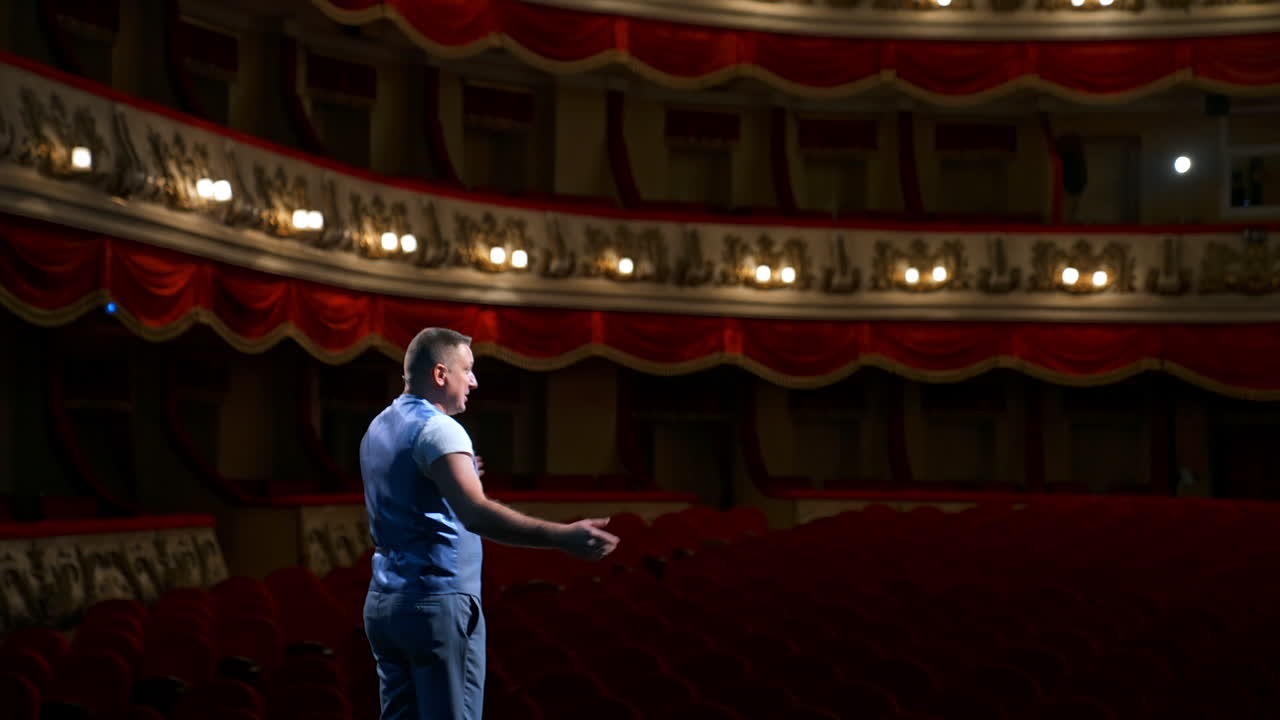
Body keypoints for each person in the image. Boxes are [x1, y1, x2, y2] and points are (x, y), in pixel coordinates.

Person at [360, 327, 620, 720]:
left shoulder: (379, 426)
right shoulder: (440, 429)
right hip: (437, 603)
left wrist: (455, 474)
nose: (475, 381)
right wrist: (562, 536)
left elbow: (408, 486)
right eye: (468, 369)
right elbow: (476, 513)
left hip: (386, 603)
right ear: (440, 374)